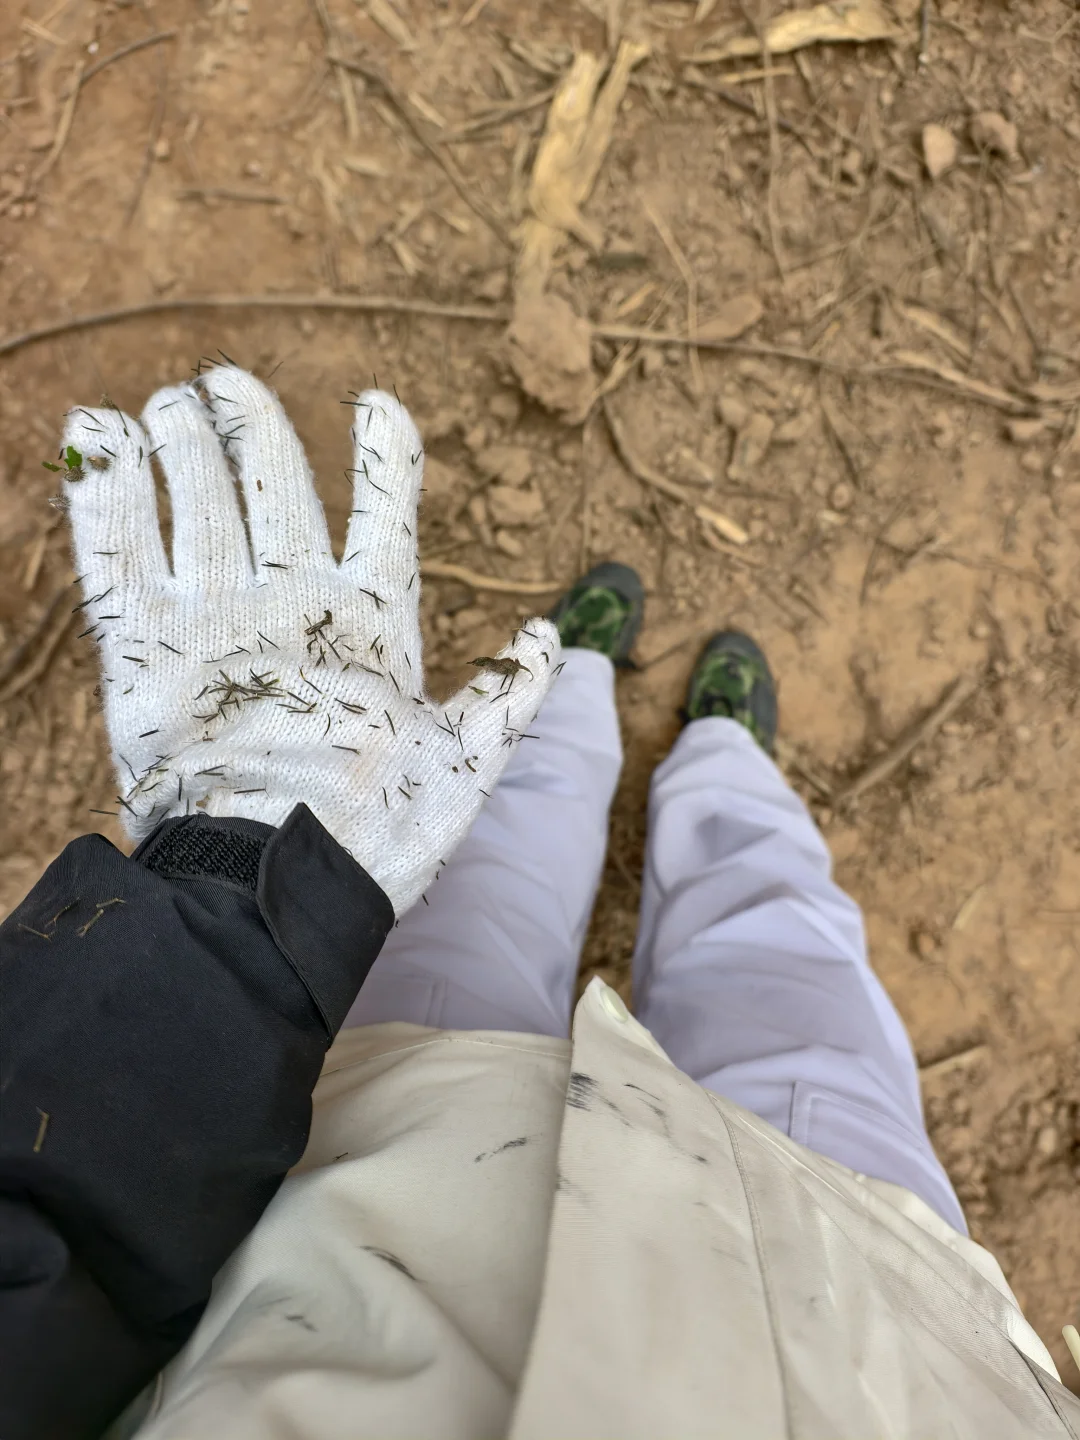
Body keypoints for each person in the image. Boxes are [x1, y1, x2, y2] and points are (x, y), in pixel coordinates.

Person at [0, 368, 1075, 1440]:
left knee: (486, 864)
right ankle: (716, 755)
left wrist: (236, 883)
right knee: (783, 944)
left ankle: (579, 689)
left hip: (380, 1165)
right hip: (885, 1305)